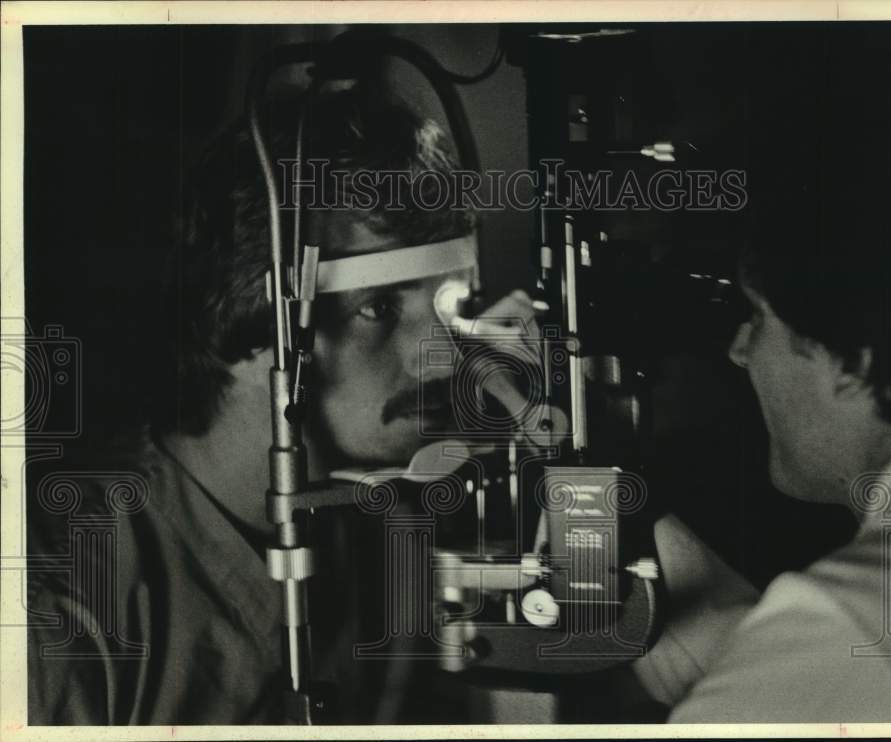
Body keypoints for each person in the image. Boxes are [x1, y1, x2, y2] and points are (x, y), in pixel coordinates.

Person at [27, 85, 539, 724]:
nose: (437, 355)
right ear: (249, 314)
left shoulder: (388, 525)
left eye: (452, 306)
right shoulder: (62, 613)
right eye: (380, 308)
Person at [633, 186, 891, 722]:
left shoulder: (857, 621)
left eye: (759, 319)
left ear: (850, 365)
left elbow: (831, 655)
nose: (739, 349)